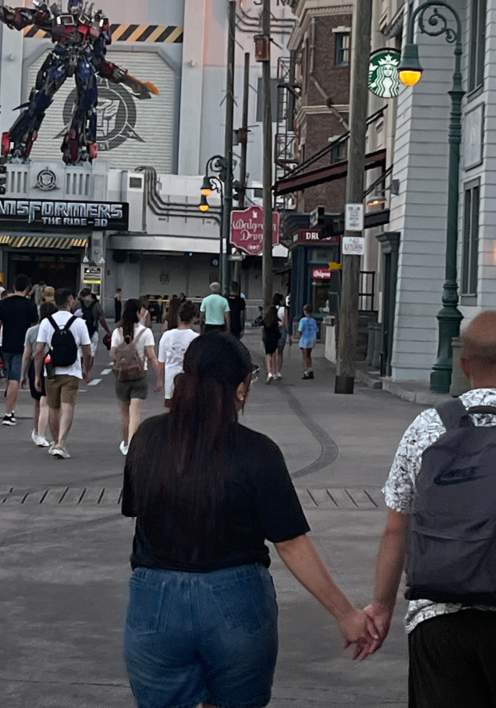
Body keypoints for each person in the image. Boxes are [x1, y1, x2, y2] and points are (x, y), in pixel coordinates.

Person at [121, 331, 377, 708]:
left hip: (156, 598)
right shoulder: (259, 452)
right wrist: (346, 614)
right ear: (241, 388)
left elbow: (134, 509)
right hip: (236, 600)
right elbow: (291, 543)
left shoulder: (147, 438)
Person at [363, 311, 496, 706]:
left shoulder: (428, 427)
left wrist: (383, 606)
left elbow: (396, 528)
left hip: (438, 618)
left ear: (464, 364)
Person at [34, 288, 92, 459]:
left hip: (51, 371)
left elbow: (38, 351)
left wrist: (38, 374)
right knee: (68, 407)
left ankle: (55, 442)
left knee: (53, 407)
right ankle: (61, 442)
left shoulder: (46, 322)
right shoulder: (79, 323)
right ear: (70, 301)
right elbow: (87, 351)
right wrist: (86, 369)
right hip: (72, 371)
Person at [111, 299, 161, 456]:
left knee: (125, 413)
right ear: (139, 313)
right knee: (135, 413)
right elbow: (152, 356)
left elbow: (113, 353)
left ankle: (126, 443)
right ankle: (133, 443)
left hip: (122, 376)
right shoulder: (145, 332)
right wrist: (159, 377)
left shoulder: (118, 332)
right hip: (139, 375)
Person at [0, 274, 38, 427]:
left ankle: (9, 408)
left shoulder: (4, 304)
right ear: (28, 288)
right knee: (15, 380)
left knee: (9, 378)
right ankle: (9, 413)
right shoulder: (30, 306)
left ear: (14, 287)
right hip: (23, 347)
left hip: (5, 345)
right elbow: (35, 328)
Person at [22, 300, 57, 447]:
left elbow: (27, 355)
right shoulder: (55, 329)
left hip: (33, 367)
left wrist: (22, 374)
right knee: (45, 401)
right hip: (50, 365)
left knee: (37, 401)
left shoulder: (32, 331)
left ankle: (37, 430)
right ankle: (41, 434)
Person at [158, 299, 198, 407]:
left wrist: (159, 380)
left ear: (179, 317)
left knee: (172, 413)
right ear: (194, 319)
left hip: (170, 380)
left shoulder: (167, 336)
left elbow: (161, 361)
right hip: (190, 382)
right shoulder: (196, 338)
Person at [79, 287, 110, 360]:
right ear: (90, 294)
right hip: (93, 330)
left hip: (79, 331)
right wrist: (107, 330)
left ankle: (81, 367)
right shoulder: (96, 305)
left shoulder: (78, 304)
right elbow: (101, 319)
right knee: (92, 352)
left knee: (80, 352)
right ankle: (88, 370)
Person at [262, 293, 282, 384]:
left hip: (267, 336)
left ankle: (269, 372)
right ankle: (274, 372)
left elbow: (262, 323)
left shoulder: (267, 318)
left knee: (268, 355)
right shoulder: (276, 318)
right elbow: (279, 325)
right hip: (274, 336)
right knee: (273, 353)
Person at [298, 303, 318, 380]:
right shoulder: (313, 321)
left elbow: (300, 330)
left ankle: (306, 371)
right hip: (312, 339)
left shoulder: (302, 320)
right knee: (309, 355)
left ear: (305, 311)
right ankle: (310, 369)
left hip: (305, 339)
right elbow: (316, 329)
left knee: (305, 356)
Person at [275, 293, 289, 374]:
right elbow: (286, 322)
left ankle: (272, 370)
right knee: (280, 353)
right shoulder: (284, 310)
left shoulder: (272, 309)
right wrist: (288, 332)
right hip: (282, 329)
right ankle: (278, 371)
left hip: (274, 329)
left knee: (273, 353)